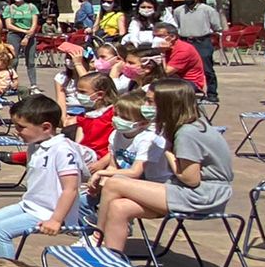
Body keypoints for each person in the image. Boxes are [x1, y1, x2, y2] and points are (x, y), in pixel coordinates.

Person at [93, 79, 235, 252]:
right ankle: (111, 263)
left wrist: (167, 149)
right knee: (119, 207)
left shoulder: (187, 133)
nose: (145, 106)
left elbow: (190, 179)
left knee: (115, 183)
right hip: (186, 190)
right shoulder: (191, 123)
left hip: (203, 195)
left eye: (150, 102)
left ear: (167, 104)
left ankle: (96, 238)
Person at [0, 94, 87, 260]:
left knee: (1, 231)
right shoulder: (35, 146)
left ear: (46, 127)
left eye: (21, 127)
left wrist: (56, 220)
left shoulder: (62, 150)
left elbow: (70, 189)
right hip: (31, 204)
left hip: (51, 212)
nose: (17, 132)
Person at [168, 0, 226, 102]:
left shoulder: (207, 10)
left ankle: (212, 93)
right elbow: (176, 26)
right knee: (181, 68)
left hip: (202, 41)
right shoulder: (178, 10)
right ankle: (183, 91)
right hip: (185, 42)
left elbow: (216, 26)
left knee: (207, 68)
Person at [151, 24, 208, 95]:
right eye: (154, 36)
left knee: (155, 89)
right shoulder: (163, 48)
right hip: (173, 79)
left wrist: (162, 53)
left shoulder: (183, 50)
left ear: (172, 37)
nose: (156, 39)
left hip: (189, 83)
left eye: (160, 36)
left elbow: (164, 73)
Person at [4, 0, 42, 87]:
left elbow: (34, 24)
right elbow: (9, 25)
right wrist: (23, 31)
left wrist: (27, 36)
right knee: (14, 60)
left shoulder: (31, 7)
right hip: (14, 34)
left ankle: (33, 85)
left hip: (30, 35)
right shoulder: (9, 8)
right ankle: (12, 84)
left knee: (30, 61)